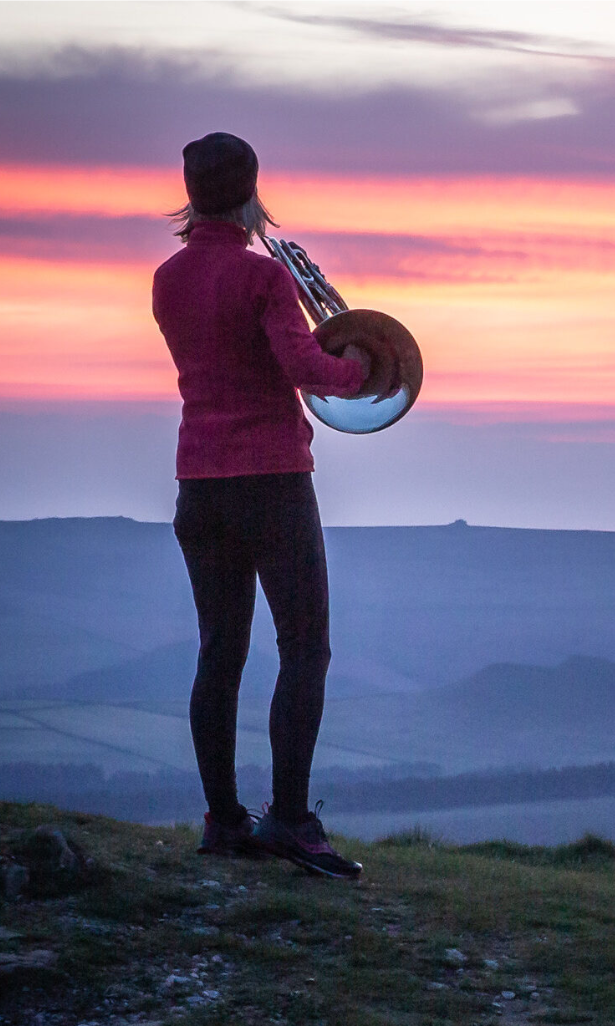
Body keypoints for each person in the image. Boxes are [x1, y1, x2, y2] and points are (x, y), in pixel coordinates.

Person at [153, 132, 384, 879]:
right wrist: (356, 368)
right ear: (252, 190)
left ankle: (224, 819)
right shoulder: (265, 279)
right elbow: (302, 366)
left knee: (220, 650)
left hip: (199, 483)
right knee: (305, 647)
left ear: (190, 193)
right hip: (274, 482)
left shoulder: (167, 277)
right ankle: (290, 817)